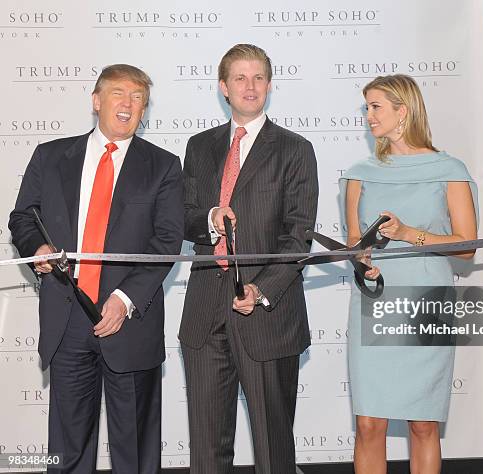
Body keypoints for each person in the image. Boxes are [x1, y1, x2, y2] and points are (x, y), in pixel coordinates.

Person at [8, 64, 184, 473]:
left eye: (138, 97)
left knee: (136, 454)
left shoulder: (163, 166)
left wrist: (124, 300)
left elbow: (167, 240)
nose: (128, 103)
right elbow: (22, 218)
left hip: (129, 323)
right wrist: (39, 247)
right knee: (68, 451)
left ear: (145, 109)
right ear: (96, 100)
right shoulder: (50, 156)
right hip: (67, 320)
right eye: (119, 93)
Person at [179, 43, 318, 473]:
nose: (250, 85)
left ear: (270, 85)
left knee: (274, 453)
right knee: (206, 453)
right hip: (204, 314)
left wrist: (260, 290)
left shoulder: (295, 149)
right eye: (239, 77)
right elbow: (182, 219)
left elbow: (298, 237)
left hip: (268, 317)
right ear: (224, 87)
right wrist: (209, 219)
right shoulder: (199, 146)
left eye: (258, 77)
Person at [339, 74, 477, 474]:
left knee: (422, 423)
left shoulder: (449, 168)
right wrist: (359, 258)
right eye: (366, 107)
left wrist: (407, 234)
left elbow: (467, 246)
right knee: (368, 424)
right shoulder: (358, 173)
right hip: (374, 302)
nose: (368, 116)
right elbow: (353, 240)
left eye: (375, 106)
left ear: (404, 110)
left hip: (426, 301)